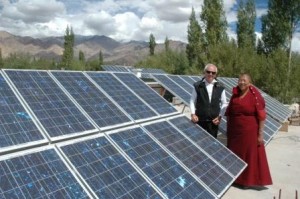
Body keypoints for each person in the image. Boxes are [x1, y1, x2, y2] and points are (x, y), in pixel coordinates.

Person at [225, 73, 272, 188]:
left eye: (244, 80)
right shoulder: (235, 95)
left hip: (249, 131)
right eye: (240, 80)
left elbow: (261, 116)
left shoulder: (255, 96)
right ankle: (236, 178)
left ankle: (246, 181)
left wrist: (260, 134)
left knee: (248, 156)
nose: (242, 82)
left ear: (249, 82)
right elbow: (229, 112)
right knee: (235, 155)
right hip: (235, 132)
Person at [190, 63, 228, 138]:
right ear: (204, 72)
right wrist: (193, 114)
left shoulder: (220, 86)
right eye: (208, 72)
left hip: (213, 122)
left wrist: (220, 117)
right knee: (199, 142)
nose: (210, 74)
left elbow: (224, 103)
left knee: (212, 144)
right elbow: (192, 101)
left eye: (213, 73)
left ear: (215, 74)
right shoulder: (198, 86)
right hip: (200, 120)